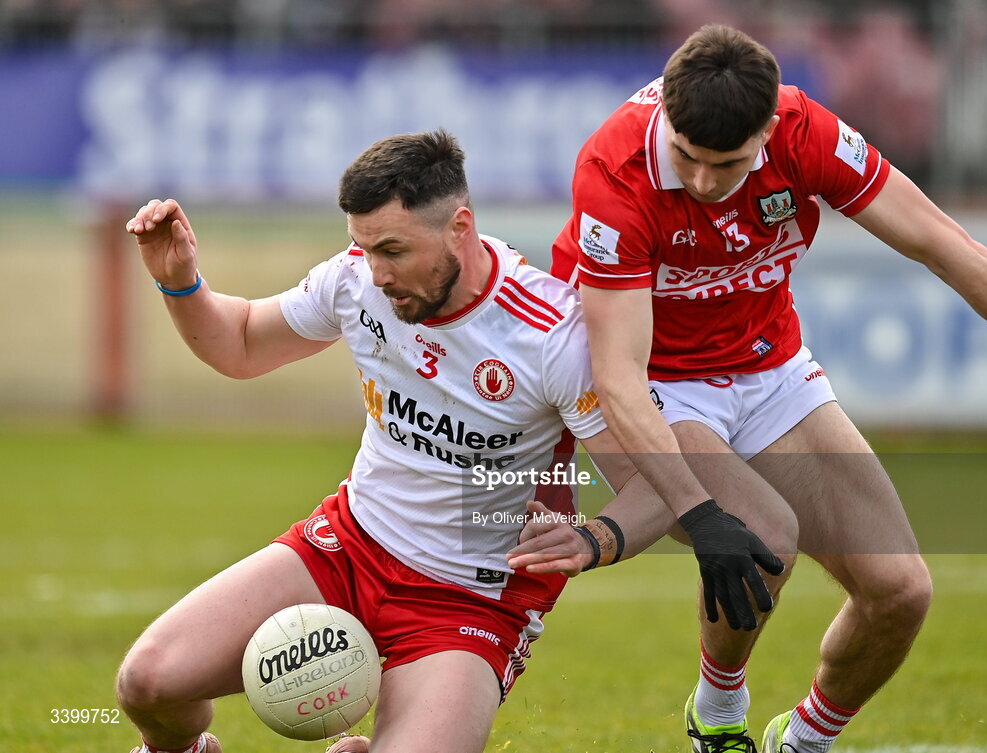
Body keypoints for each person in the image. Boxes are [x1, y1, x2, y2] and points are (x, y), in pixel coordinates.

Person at [116, 129, 775, 753]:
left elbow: (652, 483)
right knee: (146, 682)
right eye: (365, 247)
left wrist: (592, 537)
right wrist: (181, 282)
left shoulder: (549, 335)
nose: (375, 272)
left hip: (467, 600)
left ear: (459, 227)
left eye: (393, 250)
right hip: (347, 546)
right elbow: (240, 342)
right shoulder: (355, 282)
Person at [546, 23, 987, 753]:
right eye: (688, 159)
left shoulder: (809, 134)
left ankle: (801, 743)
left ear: (769, 130)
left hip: (769, 368)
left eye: (728, 164)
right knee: (761, 532)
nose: (705, 183)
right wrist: (700, 512)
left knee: (901, 594)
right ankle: (718, 715)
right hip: (651, 382)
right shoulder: (614, 172)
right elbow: (615, 376)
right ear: (666, 119)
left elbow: (941, 241)